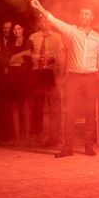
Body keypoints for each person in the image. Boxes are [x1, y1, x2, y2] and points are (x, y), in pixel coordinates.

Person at [29, 0, 99, 158]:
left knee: (90, 113)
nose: (83, 16)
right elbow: (56, 22)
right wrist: (41, 8)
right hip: (74, 78)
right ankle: (68, 148)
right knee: (70, 112)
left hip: (91, 79)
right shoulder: (72, 31)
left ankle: (88, 146)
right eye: (81, 14)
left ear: (92, 17)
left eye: (87, 14)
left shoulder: (98, 38)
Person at [28, 16, 64, 148]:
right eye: (42, 21)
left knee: (55, 106)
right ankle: (39, 134)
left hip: (51, 73)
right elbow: (29, 53)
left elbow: (61, 56)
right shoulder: (33, 37)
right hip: (37, 73)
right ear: (39, 23)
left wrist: (51, 59)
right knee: (38, 106)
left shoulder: (58, 37)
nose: (44, 23)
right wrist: (36, 58)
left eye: (46, 21)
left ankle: (55, 136)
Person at [2, 23, 33, 145]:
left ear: (23, 29)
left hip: (24, 76)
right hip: (12, 76)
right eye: (14, 29)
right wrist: (21, 54)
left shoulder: (28, 41)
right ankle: (17, 136)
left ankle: (27, 136)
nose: (16, 31)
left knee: (25, 106)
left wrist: (14, 58)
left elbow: (28, 59)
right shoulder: (9, 43)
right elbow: (7, 60)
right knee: (14, 106)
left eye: (19, 28)